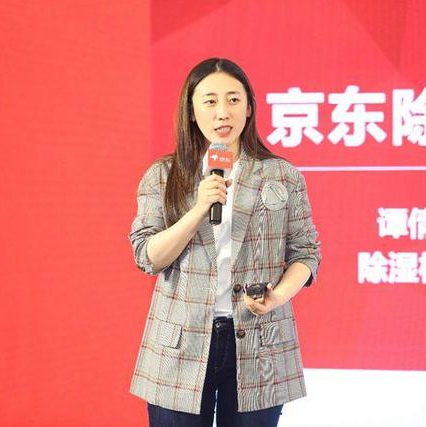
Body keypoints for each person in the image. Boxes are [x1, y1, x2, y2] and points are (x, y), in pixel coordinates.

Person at [129, 57, 321, 427]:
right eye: (210, 101)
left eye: (234, 99)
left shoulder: (282, 175)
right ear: (191, 111)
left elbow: (306, 252)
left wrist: (277, 297)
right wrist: (199, 208)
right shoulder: (163, 175)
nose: (223, 112)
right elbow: (148, 257)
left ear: (249, 108)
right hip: (179, 343)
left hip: (259, 340)